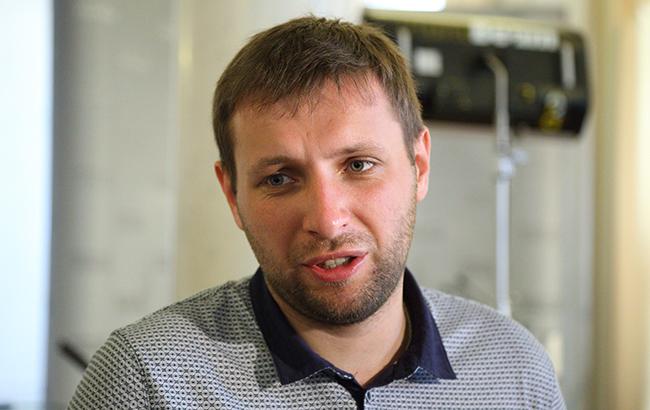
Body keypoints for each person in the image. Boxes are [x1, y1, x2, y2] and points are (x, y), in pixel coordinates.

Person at [69, 16, 565, 409]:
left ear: (419, 165)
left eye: (359, 165)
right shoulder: (147, 380)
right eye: (279, 179)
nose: (327, 221)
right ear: (232, 194)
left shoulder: (514, 370)